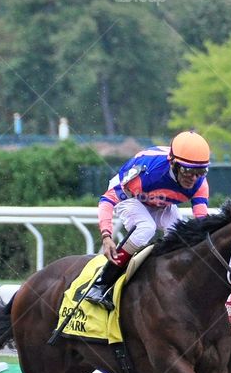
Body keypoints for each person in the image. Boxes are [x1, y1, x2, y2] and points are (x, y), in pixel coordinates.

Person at [86, 130, 211, 309]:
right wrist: (106, 236)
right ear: (173, 164)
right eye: (188, 171)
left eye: (200, 171)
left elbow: (201, 222)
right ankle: (101, 284)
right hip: (133, 198)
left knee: (183, 235)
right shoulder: (148, 175)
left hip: (160, 202)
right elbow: (107, 200)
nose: (193, 178)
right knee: (146, 227)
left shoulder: (200, 183)